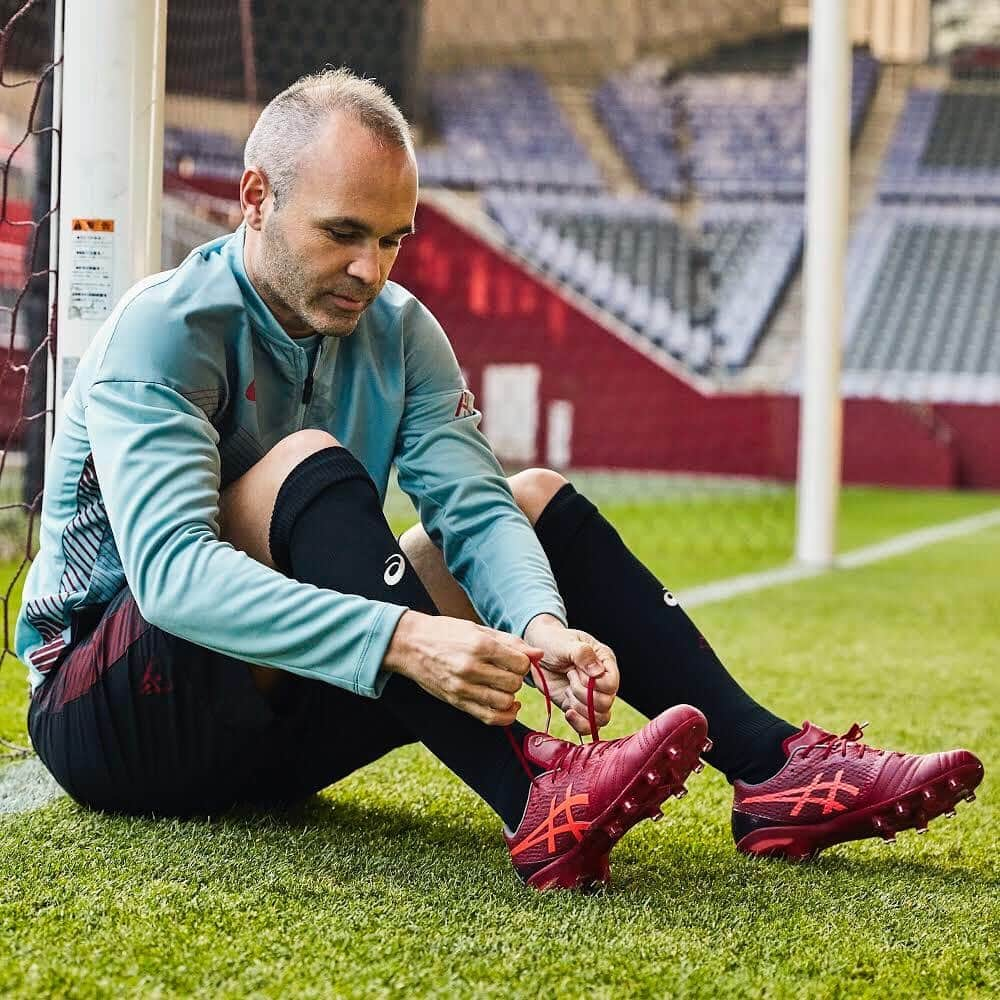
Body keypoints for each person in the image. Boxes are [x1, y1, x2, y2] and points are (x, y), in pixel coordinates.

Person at [15, 69, 982, 891]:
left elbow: (472, 510)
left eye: (394, 238)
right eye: (344, 231)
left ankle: (774, 772)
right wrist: (403, 635)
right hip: (113, 717)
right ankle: (533, 798)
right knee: (308, 467)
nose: (370, 268)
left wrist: (541, 628)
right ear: (256, 197)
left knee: (531, 499)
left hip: (283, 721)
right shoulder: (167, 329)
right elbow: (174, 575)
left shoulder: (401, 331)